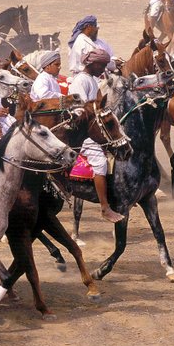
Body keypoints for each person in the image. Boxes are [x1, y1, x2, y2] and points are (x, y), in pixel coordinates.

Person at [68, 49, 125, 224]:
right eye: (101, 65)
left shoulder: (91, 80)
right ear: (92, 64)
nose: (103, 69)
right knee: (100, 163)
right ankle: (105, 207)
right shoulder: (80, 81)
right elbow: (82, 110)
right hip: (82, 133)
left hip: (92, 128)